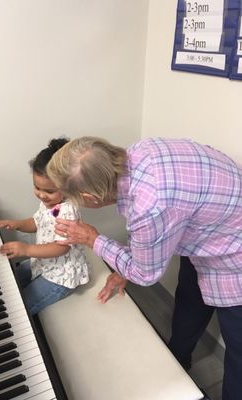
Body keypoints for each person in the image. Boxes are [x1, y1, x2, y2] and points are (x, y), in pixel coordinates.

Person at [46, 136, 242, 400]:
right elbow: (154, 232)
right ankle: (177, 361)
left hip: (234, 257)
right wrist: (128, 263)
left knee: (239, 353)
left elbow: (146, 273)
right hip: (212, 232)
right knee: (188, 305)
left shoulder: (149, 206)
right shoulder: (142, 150)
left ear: (90, 198)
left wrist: (93, 239)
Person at [0, 138, 89, 315]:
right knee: (9, 279)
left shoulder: (68, 211)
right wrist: (16, 224)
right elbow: (37, 222)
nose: (42, 195)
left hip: (61, 276)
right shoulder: (49, 205)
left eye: (49, 191)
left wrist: (27, 249)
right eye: (37, 188)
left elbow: (61, 249)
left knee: (21, 308)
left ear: (69, 187)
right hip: (44, 263)